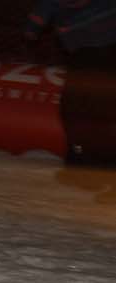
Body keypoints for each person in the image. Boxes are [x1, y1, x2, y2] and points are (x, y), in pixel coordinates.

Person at [25, 0, 116, 163]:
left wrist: (32, 30)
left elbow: (35, 23)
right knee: (102, 106)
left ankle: (84, 158)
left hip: (86, 52)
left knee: (75, 108)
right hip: (108, 48)